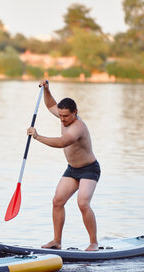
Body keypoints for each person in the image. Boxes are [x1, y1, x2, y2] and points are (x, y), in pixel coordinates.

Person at [27, 80, 100, 251]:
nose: (62, 119)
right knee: (57, 201)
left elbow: (61, 142)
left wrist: (37, 136)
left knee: (82, 203)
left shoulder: (78, 127)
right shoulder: (63, 116)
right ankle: (57, 241)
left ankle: (93, 243)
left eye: (65, 116)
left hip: (89, 169)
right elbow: (51, 104)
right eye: (60, 115)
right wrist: (46, 89)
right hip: (72, 169)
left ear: (75, 112)